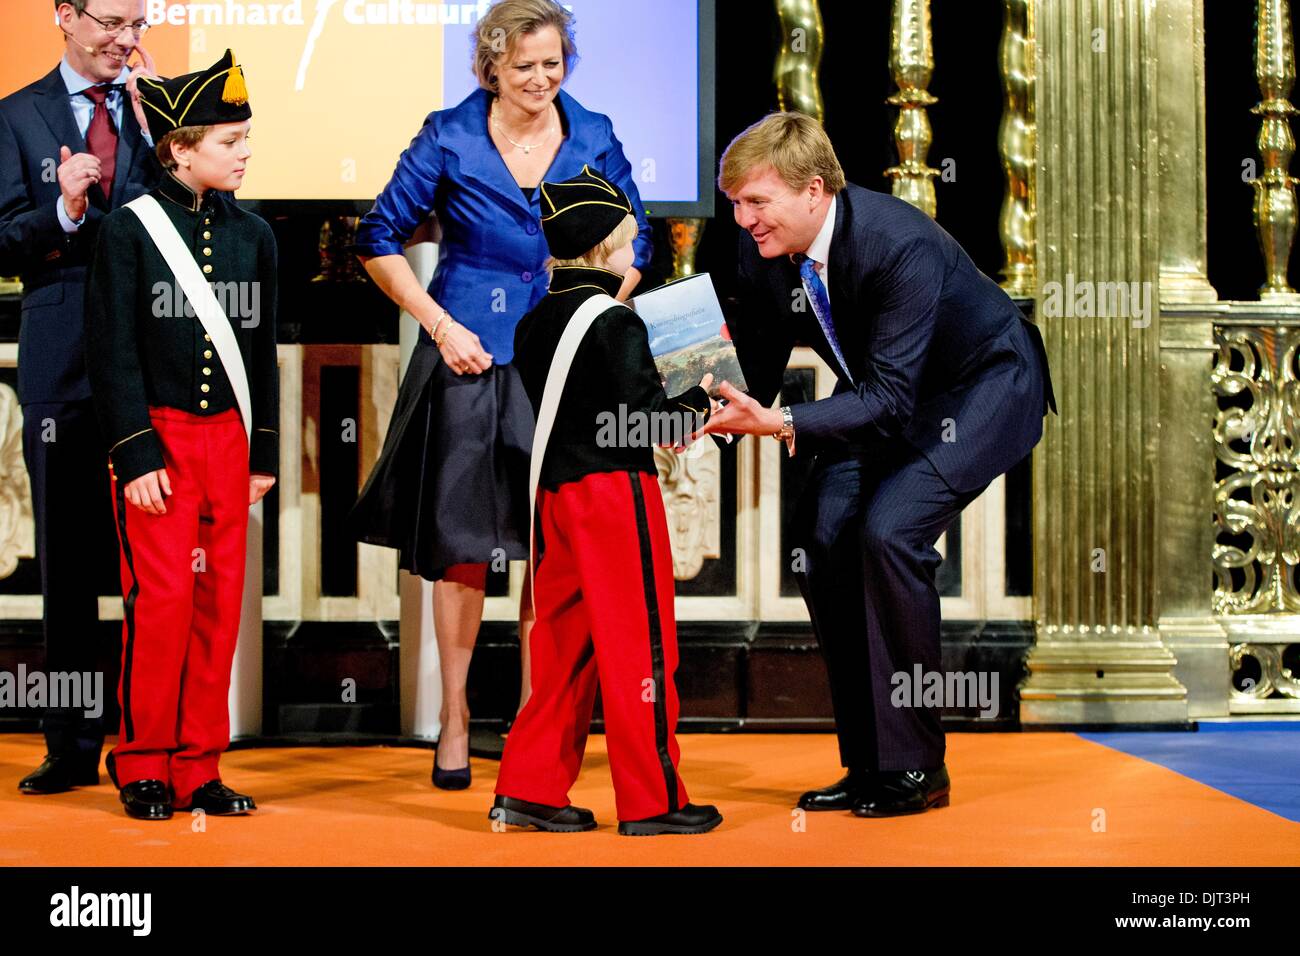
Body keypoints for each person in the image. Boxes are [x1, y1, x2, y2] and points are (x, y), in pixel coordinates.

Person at [699, 112, 1056, 818]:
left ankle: (918, 768)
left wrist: (783, 423)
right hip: (890, 393)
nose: (743, 220)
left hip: (982, 385)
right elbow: (759, 363)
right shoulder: (761, 249)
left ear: (814, 191)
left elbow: (890, 401)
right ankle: (872, 763)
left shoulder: (900, 244)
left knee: (889, 532)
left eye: (756, 202)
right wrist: (696, 422)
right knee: (818, 539)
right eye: (734, 203)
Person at [348, 0, 653, 789]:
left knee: (548, 547)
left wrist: (594, 312)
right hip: (468, 358)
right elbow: (378, 237)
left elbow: (636, 240)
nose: (542, 79)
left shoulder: (593, 132)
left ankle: (533, 724)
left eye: (554, 63)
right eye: (525, 66)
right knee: (463, 548)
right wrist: (442, 326)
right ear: (490, 67)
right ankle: (453, 715)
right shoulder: (447, 134)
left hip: (560, 365)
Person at [491, 167, 721, 836]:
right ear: (604, 245)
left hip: (558, 497)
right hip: (615, 495)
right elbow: (651, 423)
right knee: (640, 648)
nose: (634, 248)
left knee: (563, 645)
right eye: (627, 237)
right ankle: (655, 800)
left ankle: (529, 788)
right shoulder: (616, 321)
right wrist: (706, 396)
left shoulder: (536, 322)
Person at [84, 50, 279, 820]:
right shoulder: (130, 230)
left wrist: (260, 450)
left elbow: (259, 349)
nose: (245, 152)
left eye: (245, 138)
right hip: (158, 441)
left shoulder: (255, 235)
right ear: (180, 147)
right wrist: (134, 451)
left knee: (218, 604)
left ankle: (200, 764)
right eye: (230, 140)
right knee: (161, 603)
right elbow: (113, 346)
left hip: (227, 442)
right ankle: (142, 761)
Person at [1, 0, 160, 795]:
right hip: (62, 367)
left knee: (156, 568)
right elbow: (0, 238)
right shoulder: (15, 117)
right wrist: (62, 207)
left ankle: (153, 744)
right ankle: (69, 744)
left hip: (155, 366)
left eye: (138, 23)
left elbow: (207, 217)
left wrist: (171, 130)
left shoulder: (156, 108)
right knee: (68, 566)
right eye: (109, 20)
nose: (125, 39)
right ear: (63, 14)